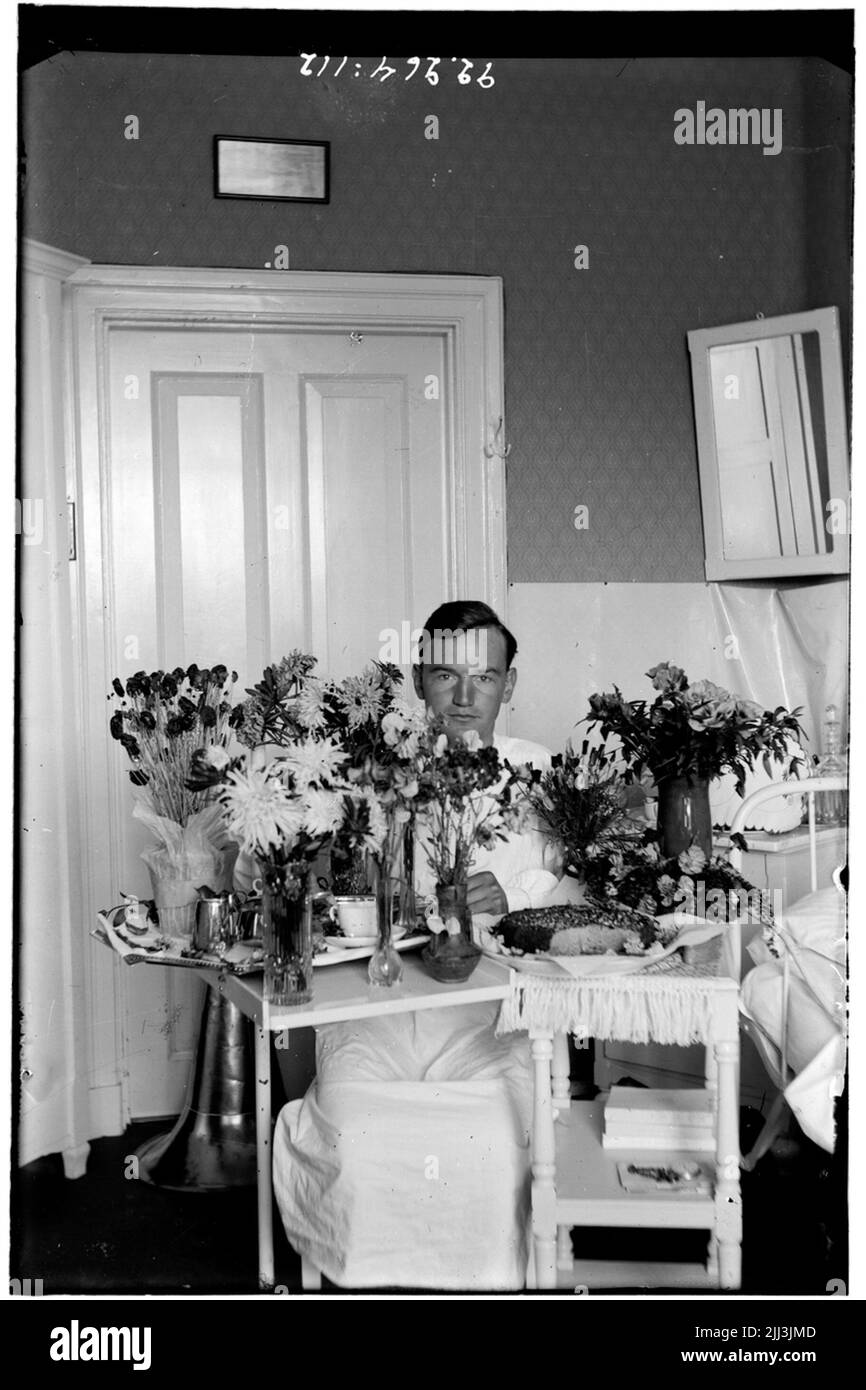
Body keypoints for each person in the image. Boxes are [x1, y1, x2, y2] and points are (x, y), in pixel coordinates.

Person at [271, 601, 565, 1290]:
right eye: (444, 676)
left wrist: (516, 895)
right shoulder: (376, 775)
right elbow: (310, 879)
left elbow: (572, 885)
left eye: (484, 679)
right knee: (355, 1132)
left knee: (493, 1144)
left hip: (491, 1016)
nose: (464, 699)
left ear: (509, 686)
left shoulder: (539, 773)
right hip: (378, 1008)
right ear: (416, 678)